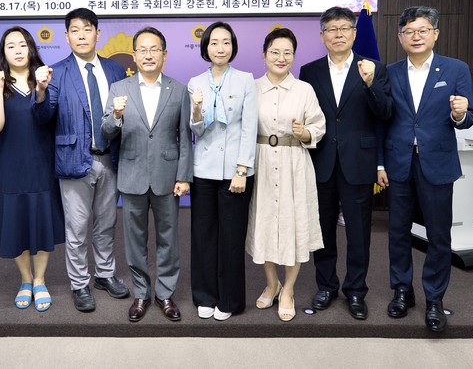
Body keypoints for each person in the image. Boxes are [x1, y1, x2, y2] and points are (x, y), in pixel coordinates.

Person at [377, 6, 473, 332]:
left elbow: (467, 118)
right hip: (398, 163)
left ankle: (434, 298)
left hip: (437, 163)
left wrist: (460, 114)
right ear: (400, 37)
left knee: (438, 235)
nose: (416, 36)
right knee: (398, 233)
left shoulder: (456, 69)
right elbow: (381, 122)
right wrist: (380, 162)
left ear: (435, 33)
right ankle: (402, 291)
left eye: (422, 30)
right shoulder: (389, 73)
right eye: (409, 31)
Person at [32, 8, 129, 312]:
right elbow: (43, 117)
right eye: (75, 30)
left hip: (111, 158)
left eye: (87, 29)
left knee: (107, 223)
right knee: (76, 229)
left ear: (98, 34)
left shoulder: (115, 70)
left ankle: (105, 274)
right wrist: (40, 91)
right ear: (66, 36)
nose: (82, 35)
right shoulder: (56, 72)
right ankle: (79, 283)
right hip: (74, 160)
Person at [299, 6, 392, 320]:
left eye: (344, 29)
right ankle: (326, 286)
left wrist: (371, 84)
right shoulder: (310, 71)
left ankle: (356, 291)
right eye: (332, 29)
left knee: (358, 232)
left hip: (359, 162)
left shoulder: (374, 67)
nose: (338, 34)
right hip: (321, 161)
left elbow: (385, 113)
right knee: (322, 229)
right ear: (322, 36)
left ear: (354, 33)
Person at [102, 27, 193, 323]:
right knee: (134, 241)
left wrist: (184, 176)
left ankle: (165, 294)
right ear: (134, 55)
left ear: (164, 54)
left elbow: (185, 137)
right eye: (142, 50)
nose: (149, 55)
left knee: (169, 240)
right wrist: (116, 116)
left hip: (168, 177)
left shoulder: (179, 89)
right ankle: (141, 293)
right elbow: (106, 131)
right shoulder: (119, 88)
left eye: (154, 49)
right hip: (132, 176)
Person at [246, 28, 326, 322]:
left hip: (294, 163)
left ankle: (289, 289)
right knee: (265, 224)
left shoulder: (304, 90)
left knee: (294, 226)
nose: (281, 58)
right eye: (275, 52)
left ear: (294, 56)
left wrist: (305, 133)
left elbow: (318, 125)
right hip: (262, 163)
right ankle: (272, 284)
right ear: (264, 55)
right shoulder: (251, 88)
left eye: (287, 53)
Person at [0, 26, 65, 312]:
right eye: (11, 46)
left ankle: (40, 280)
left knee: (40, 223)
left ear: (31, 48)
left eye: (22, 44)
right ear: (3, 52)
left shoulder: (47, 79)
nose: (18, 50)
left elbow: (49, 118)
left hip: (42, 164)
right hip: (10, 166)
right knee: (16, 223)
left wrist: (41, 88)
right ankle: (25, 280)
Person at [188, 21, 258, 321]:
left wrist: (242, 169)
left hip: (235, 172)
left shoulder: (245, 80)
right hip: (203, 170)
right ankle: (205, 296)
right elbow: (196, 130)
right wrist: (196, 109)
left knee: (231, 238)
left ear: (233, 46)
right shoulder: (195, 82)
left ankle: (230, 300)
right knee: (203, 235)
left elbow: (250, 127)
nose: (220, 48)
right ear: (206, 47)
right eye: (214, 42)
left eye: (226, 42)